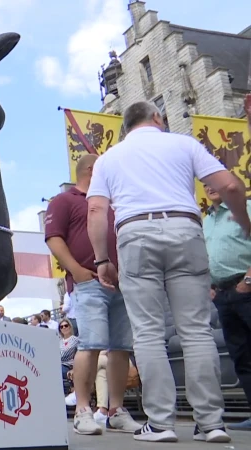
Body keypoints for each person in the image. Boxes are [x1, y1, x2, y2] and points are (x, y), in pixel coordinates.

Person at [87, 100, 249, 443]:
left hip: (135, 233)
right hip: (184, 228)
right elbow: (232, 187)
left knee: (147, 332)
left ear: (126, 127)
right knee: (196, 330)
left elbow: (97, 210)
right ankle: (211, 422)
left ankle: (160, 423)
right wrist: (245, 224)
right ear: (158, 118)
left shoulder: (108, 159)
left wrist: (103, 260)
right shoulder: (184, 144)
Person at [45, 153, 141, 435]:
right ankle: (83, 410)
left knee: (121, 346)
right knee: (91, 343)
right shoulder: (65, 200)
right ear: (92, 169)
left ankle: (116, 410)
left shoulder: (111, 203)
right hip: (88, 282)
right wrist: (78, 270)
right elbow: (53, 237)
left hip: (120, 283)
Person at [204, 146, 251, 432]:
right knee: (242, 356)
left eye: (213, 180)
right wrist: (209, 286)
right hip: (222, 295)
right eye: (205, 182)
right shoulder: (207, 221)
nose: (209, 186)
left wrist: (248, 281)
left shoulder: (246, 207)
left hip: (247, 287)